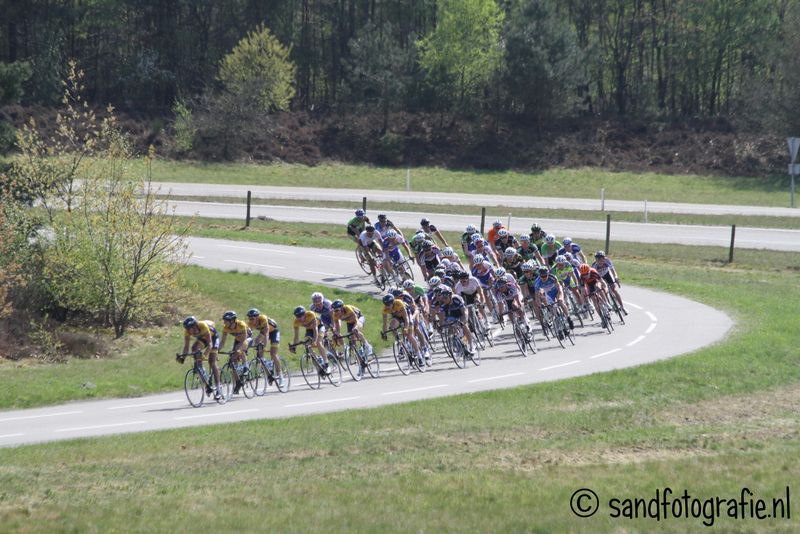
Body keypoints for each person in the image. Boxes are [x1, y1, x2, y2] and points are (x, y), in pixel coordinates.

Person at [179, 316, 222, 400]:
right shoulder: (187, 332)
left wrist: (205, 355)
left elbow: (210, 345)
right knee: (194, 348)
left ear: (194, 326)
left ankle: (218, 388)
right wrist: (183, 357)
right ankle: (205, 380)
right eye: (186, 329)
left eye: (189, 328)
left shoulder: (202, 325)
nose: (188, 331)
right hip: (202, 339)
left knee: (211, 362)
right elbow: (186, 347)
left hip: (212, 339)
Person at [381, 293, 423, 366]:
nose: (388, 306)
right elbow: (385, 323)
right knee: (392, 325)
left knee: (410, 335)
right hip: (397, 317)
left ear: (393, 302)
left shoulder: (399, 303)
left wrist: (406, 328)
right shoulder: (385, 309)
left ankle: (420, 357)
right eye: (386, 305)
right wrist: (385, 333)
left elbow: (406, 318)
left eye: (389, 304)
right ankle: (399, 342)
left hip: (407, 315)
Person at [246, 308, 284, 387]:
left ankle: (281, 376)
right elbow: (248, 336)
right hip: (263, 332)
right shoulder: (250, 323)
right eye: (249, 318)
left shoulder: (263, 319)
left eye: (252, 318)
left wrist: (264, 345)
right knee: (257, 342)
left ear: (257, 317)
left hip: (273, 331)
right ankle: (266, 369)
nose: (251, 320)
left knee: (273, 353)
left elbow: (267, 334)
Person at [219, 310, 253, 395]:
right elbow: (222, 342)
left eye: (226, 321)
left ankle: (246, 366)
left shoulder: (241, 324)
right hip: (238, 340)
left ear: (232, 320)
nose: (224, 322)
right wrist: (217, 350)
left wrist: (239, 350)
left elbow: (244, 341)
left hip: (247, 339)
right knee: (232, 361)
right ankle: (238, 382)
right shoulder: (226, 328)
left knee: (239, 350)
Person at [289, 306, 330, 373]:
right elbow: (296, 337)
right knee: (306, 344)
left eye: (301, 316)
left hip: (319, 327)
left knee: (318, 343)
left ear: (304, 314)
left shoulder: (310, 314)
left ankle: (326, 364)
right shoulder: (296, 322)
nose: (299, 318)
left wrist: (314, 340)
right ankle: (317, 361)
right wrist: (294, 346)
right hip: (309, 330)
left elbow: (315, 329)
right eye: (297, 316)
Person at [592, 251, 627, 315]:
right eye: (597, 260)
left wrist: (616, 277)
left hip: (607, 274)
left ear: (604, 258)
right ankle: (608, 306)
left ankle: (622, 307)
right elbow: (594, 278)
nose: (599, 262)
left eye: (601, 259)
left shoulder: (607, 261)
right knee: (604, 292)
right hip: (599, 277)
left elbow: (612, 270)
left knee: (615, 290)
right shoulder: (594, 266)